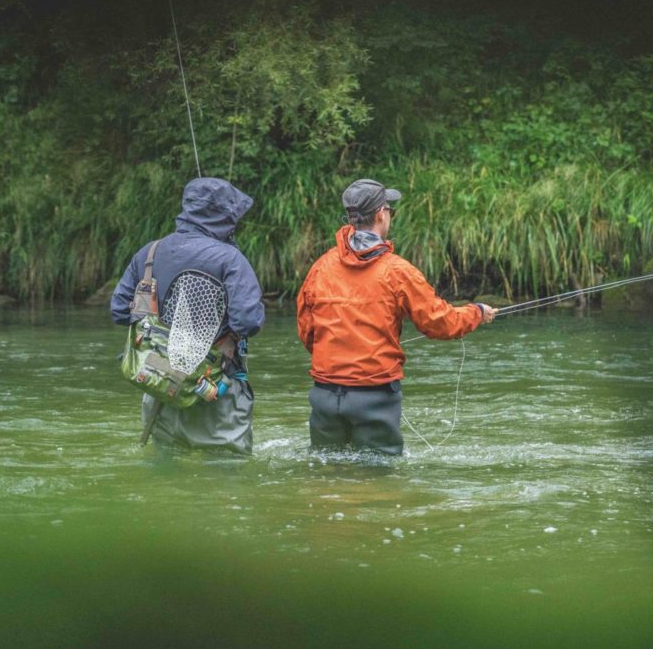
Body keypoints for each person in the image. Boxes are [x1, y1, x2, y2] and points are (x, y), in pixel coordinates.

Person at [296, 179, 496, 455]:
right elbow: (439, 323)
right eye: (389, 209)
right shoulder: (397, 271)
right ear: (380, 214)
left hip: (324, 397)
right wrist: (476, 313)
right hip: (374, 399)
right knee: (379, 482)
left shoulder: (321, 267)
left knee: (327, 476)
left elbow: (307, 331)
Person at [110, 177, 265, 455]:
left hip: (158, 382)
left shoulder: (149, 251)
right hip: (213, 390)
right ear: (225, 216)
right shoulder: (230, 259)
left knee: (164, 475)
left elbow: (120, 312)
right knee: (226, 474)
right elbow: (249, 321)